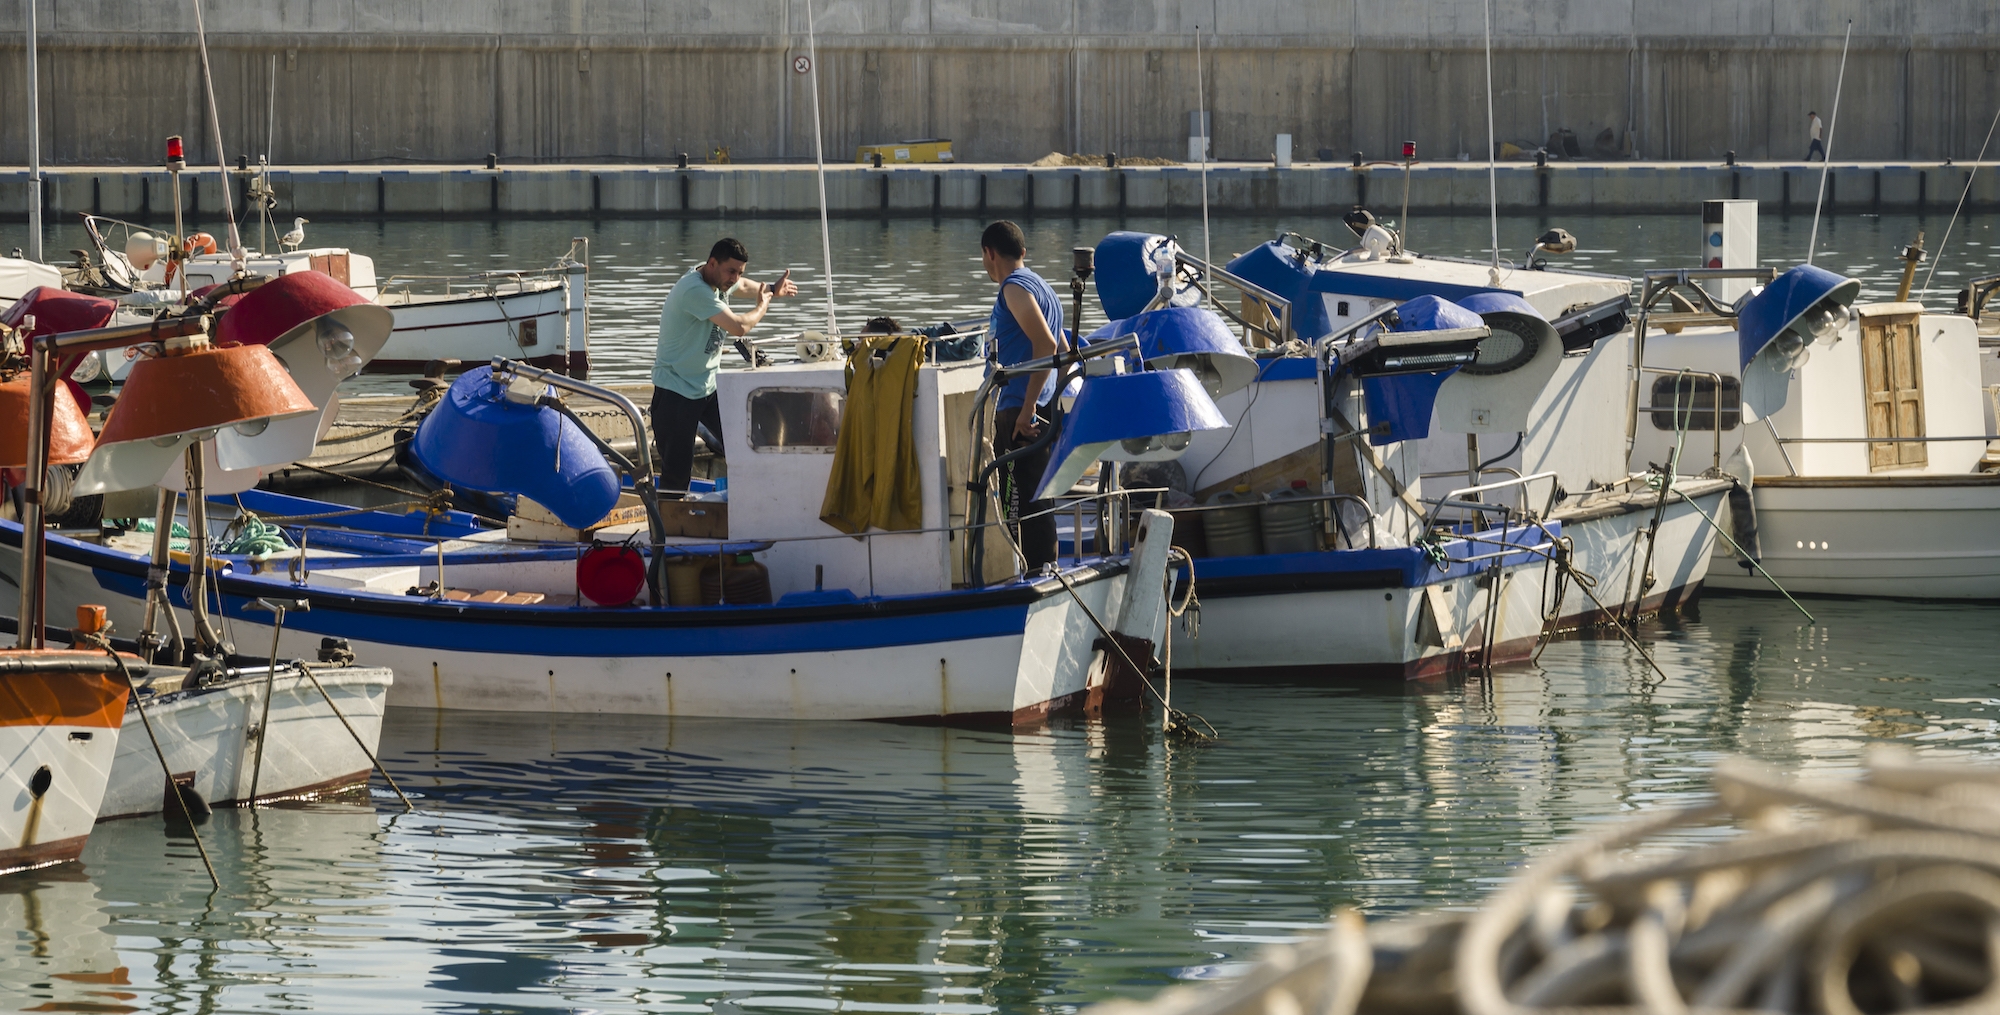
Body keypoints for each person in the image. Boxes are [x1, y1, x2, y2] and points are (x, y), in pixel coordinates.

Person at [653, 237, 796, 495]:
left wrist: (772, 288)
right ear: (712, 264)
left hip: (707, 389)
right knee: (676, 476)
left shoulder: (716, 278)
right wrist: (763, 305)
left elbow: (740, 286)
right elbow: (739, 326)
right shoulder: (695, 290)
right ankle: (666, 532)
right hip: (675, 393)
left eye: (739, 271)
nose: (734, 278)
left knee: (744, 443)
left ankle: (749, 504)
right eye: (731, 271)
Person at [980, 220, 1067, 571]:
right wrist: (1050, 404)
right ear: (1023, 252)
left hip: (1017, 410)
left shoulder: (1013, 288)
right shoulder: (1043, 287)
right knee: (1036, 496)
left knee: (1014, 501)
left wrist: (1028, 407)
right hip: (1036, 408)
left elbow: (1046, 345)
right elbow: (1063, 351)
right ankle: (1044, 566)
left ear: (990, 254)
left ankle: (1026, 573)